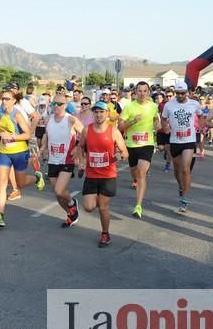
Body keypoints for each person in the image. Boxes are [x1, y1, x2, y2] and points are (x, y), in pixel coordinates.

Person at [73, 101, 128, 247]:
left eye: (101, 112)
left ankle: (105, 234)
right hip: (91, 175)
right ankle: (98, 199)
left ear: (107, 114)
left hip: (108, 176)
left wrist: (119, 156)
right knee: (89, 207)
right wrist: (82, 160)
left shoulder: (113, 131)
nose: (98, 114)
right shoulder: (87, 130)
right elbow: (81, 146)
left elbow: (125, 152)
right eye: (96, 112)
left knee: (103, 207)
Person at [0, 89, 45, 228]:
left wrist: (12, 137)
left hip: (20, 152)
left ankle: (37, 178)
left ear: (14, 101)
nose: (4, 101)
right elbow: (2, 133)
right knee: (2, 184)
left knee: (20, 184)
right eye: (3, 98)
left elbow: (27, 135)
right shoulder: (1, 114)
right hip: (5, 153)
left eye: (7, 99)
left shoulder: (17, 115)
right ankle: (0, 215)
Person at [40, 93, 83, 228]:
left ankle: (71, 203)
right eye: (54, 104)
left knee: (59, 190)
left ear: (65, 105)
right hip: (53, 160)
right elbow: (46, 135)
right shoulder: (48, 119)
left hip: (67, 160)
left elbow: (86, 133)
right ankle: (70, 214)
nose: (56, 106)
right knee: (57, 195)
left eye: (59, 104)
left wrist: (78, 147)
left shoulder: (71, 119)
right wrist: (42, 149)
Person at [118, 81, 159, 219]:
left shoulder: (153, 106)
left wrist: (157, 124)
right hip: (131, 145)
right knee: (135, 172)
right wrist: (132, 122)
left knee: (141, 172)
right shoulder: (129, 107)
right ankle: (136, 180)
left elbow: (155, 119)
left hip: (147, 144)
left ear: (148, 92)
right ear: (135, 92)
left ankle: (138, 206)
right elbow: (120, 127)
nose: (142, 93)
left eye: (145, 91)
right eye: (139, 91)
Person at [161, 82, 203, 214]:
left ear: (187, 92)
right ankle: (181, 186)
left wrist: (200, 128)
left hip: (189, 141)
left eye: (183, 93)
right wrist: (165, 127)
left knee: (185, 169)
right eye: (178, 93)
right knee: (177, 170)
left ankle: (184, 199)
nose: (180, 96)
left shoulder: (194, 104)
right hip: (175, 141)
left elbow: (201, 115)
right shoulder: (169, 105)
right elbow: (163, 118)